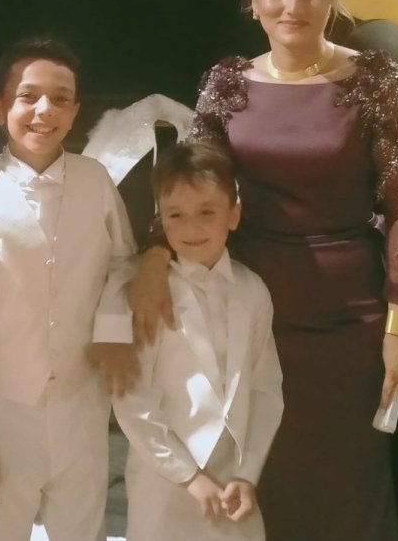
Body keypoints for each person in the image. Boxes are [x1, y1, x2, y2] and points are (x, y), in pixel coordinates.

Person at [127, 0, 398, 540]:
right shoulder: (228, 82)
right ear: (254, 0)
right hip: (249, 306)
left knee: (348, 473)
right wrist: (154, 259)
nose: (293, 5)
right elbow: (192, 188)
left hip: (351, 314)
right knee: (264, 471)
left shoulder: (374, 79)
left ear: (331, 0)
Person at [0, 36, 138, 541]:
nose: (44, 110)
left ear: (75, 112)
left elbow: (124, 261)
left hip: (82, 406)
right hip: (2, 413)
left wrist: (112, 325)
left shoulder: (97, 182)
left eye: (60, 98)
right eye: (28, 96)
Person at [112, 140, 284, 541]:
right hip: (165, 480)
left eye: (207, 212)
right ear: (162, 219)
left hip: (233, 480)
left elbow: (265, 388)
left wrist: (248, 473)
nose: (192, 228)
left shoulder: (252, 290)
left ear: (233, 215)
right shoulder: (150, 294)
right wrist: (188, 476)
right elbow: (132, 400)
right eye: (177, 215)